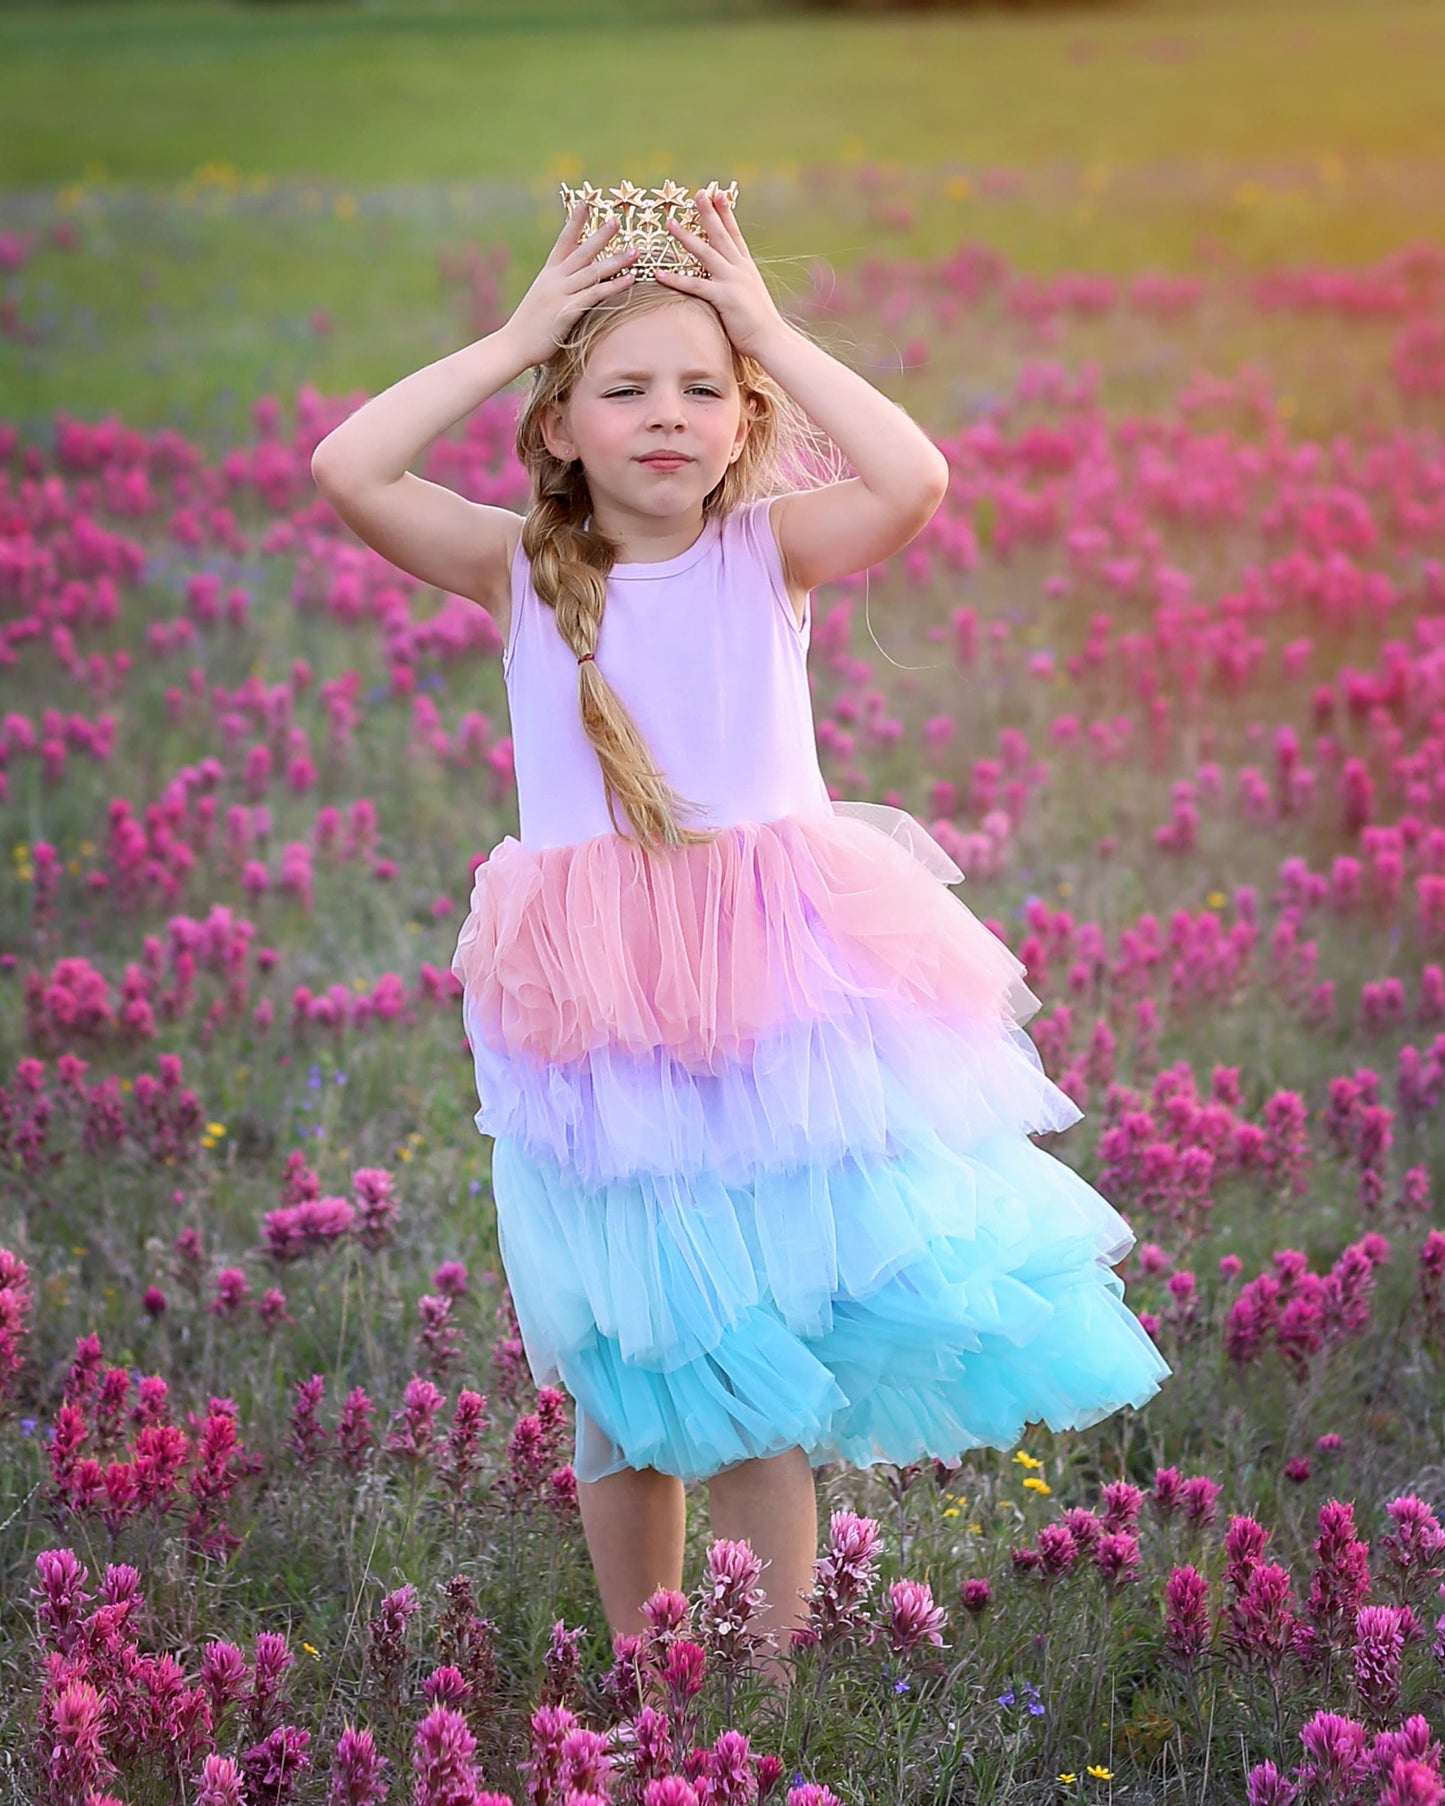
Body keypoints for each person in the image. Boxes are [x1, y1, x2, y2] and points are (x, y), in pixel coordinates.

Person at [310, 183, 1171, 1689]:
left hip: (770, 1009)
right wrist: (517, 335)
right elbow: (346, 464)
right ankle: (651, 1679)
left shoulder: (767, 552)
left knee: (752, 1358)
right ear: (558, 425)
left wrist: (765, 324)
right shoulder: (514, 566)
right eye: (624, 389)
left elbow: (913, 477)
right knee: (619, 1368)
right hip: (593, 1019)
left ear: (743, 418)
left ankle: (757, 1697)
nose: (668, 415)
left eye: (704, 390)